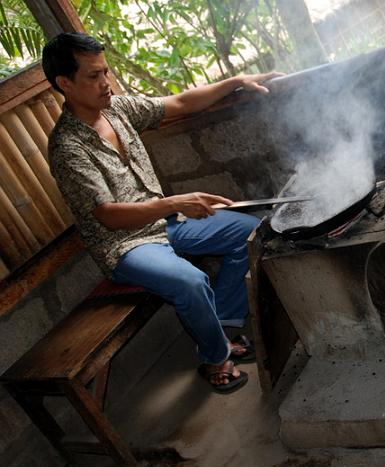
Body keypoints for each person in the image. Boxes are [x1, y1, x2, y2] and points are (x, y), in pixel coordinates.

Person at [42, 32, 282, 393]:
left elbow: (181, 103)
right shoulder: (67, 147)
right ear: (65, 83)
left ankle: (217, 322)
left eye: (105, 71)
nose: (106, 83)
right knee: (189, 281)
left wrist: (237, 81)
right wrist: (174, 202)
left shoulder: (117, 109)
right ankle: (215, 357)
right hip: (126, 245)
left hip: (167, 224)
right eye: (93, 76)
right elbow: (107, 215)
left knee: (248, 231)